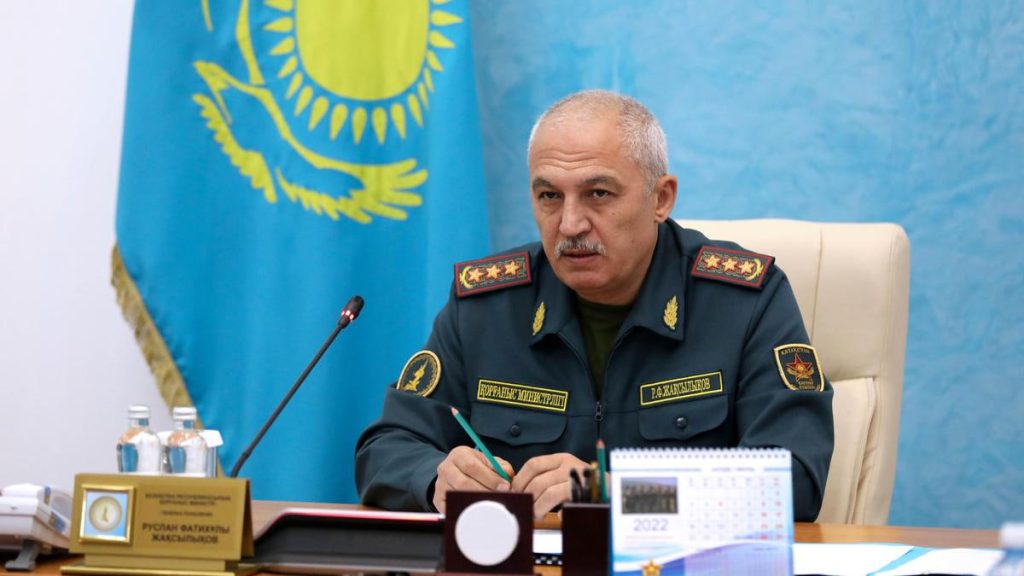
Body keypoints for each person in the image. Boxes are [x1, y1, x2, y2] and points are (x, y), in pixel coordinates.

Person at [355, 90, 834, 522]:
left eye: (598, 194)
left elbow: (793, 477)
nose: (570, 224)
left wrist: (612, 492)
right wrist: (436, 478)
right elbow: (386, 447)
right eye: (549, 196)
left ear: (661, 198)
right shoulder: (486, 306)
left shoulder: (744, 301)